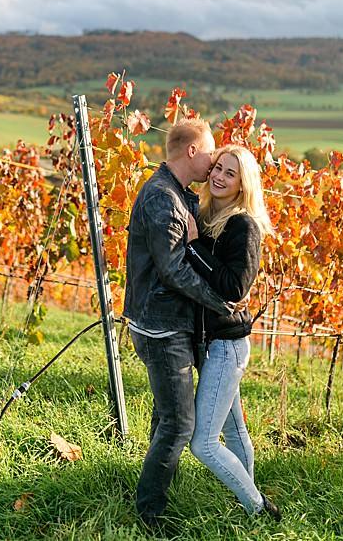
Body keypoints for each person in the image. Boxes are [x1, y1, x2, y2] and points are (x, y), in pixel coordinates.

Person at [123, 117, 236, 529]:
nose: (213, 162)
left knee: (165, 416)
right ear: (192, 151)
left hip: (167, 323)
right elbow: (173, 271)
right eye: (210, 153)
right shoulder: (162, 199)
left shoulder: (179, 195)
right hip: (160, 326)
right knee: (179, 423)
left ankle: (154, 490)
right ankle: (149, 514)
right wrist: (221, 304)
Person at [184, 143, 280, 521]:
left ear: (244, 184)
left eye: (230, 173)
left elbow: (235, 287)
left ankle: (257, 507)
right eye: (218, 169)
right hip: (213, 343)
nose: (220, 177)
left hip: (227, 346)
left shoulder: (243, 225)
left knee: (203, 443)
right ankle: (251, 503)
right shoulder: (207, 214)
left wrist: (193, 248)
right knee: (235, 430)